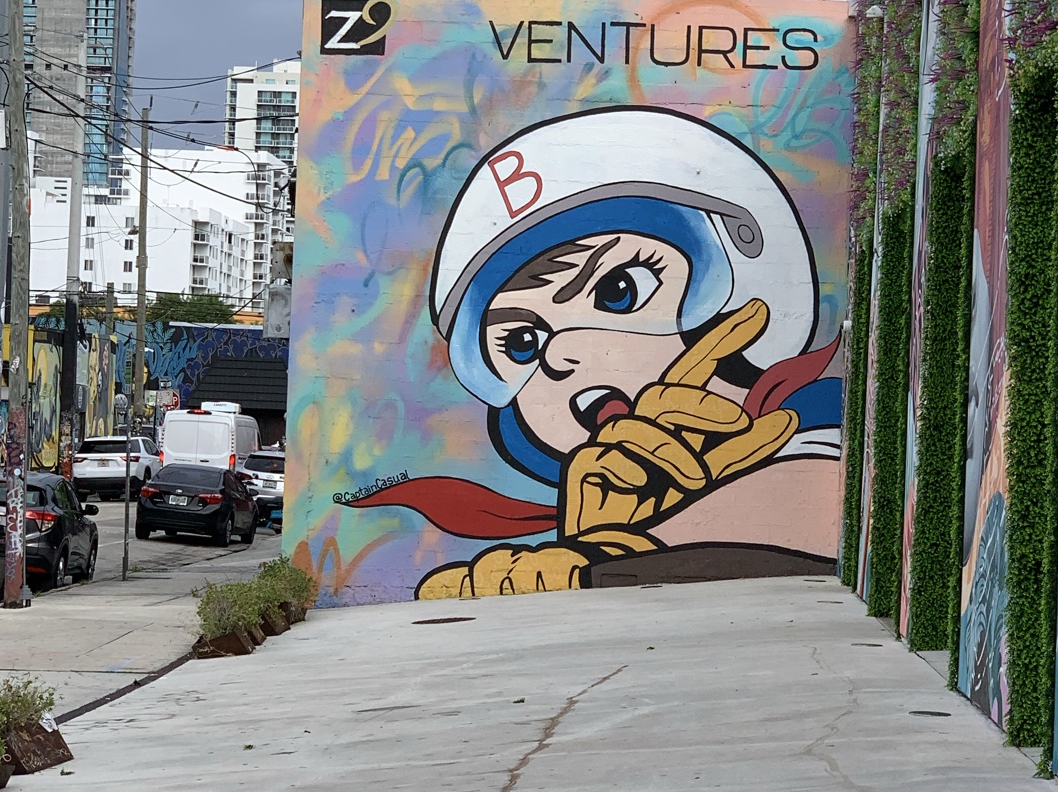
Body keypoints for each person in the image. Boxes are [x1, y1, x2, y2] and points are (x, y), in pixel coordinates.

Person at [347, 106, 842, 596]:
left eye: (617, 291)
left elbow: (813, 502)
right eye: (521, 344)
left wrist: (608, 555)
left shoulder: (806, 417)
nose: (559, 357)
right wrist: (599, 546)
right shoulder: (594, 495)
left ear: (732, 288)